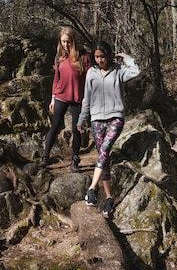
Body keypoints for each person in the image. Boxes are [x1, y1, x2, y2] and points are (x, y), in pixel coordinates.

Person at [77, 41, 140, 216]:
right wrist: (82, 119)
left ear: (109, 55)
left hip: (115, 118)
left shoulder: (119, 70)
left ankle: (92, 188)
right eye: (97, 57)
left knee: (104, 150)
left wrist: (127, 58)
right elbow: (86, 99)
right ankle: (109, 199)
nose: (100, 60)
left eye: (102, 56)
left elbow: (136, 71)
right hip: (96, 119)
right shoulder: (91, 73)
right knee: (103, 159)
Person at [40, 27, 91, 172]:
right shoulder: (59, 57)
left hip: (78, 98)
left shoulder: (84, 56)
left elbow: (90, 79)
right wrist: (53, 98)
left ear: (73, 41)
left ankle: (75, 159)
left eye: (68, 42)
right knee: (55, 126)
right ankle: (46, 156)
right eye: (63, 42)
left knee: (77, 129)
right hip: (61, 96)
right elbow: (56, 78)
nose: (65, 45)